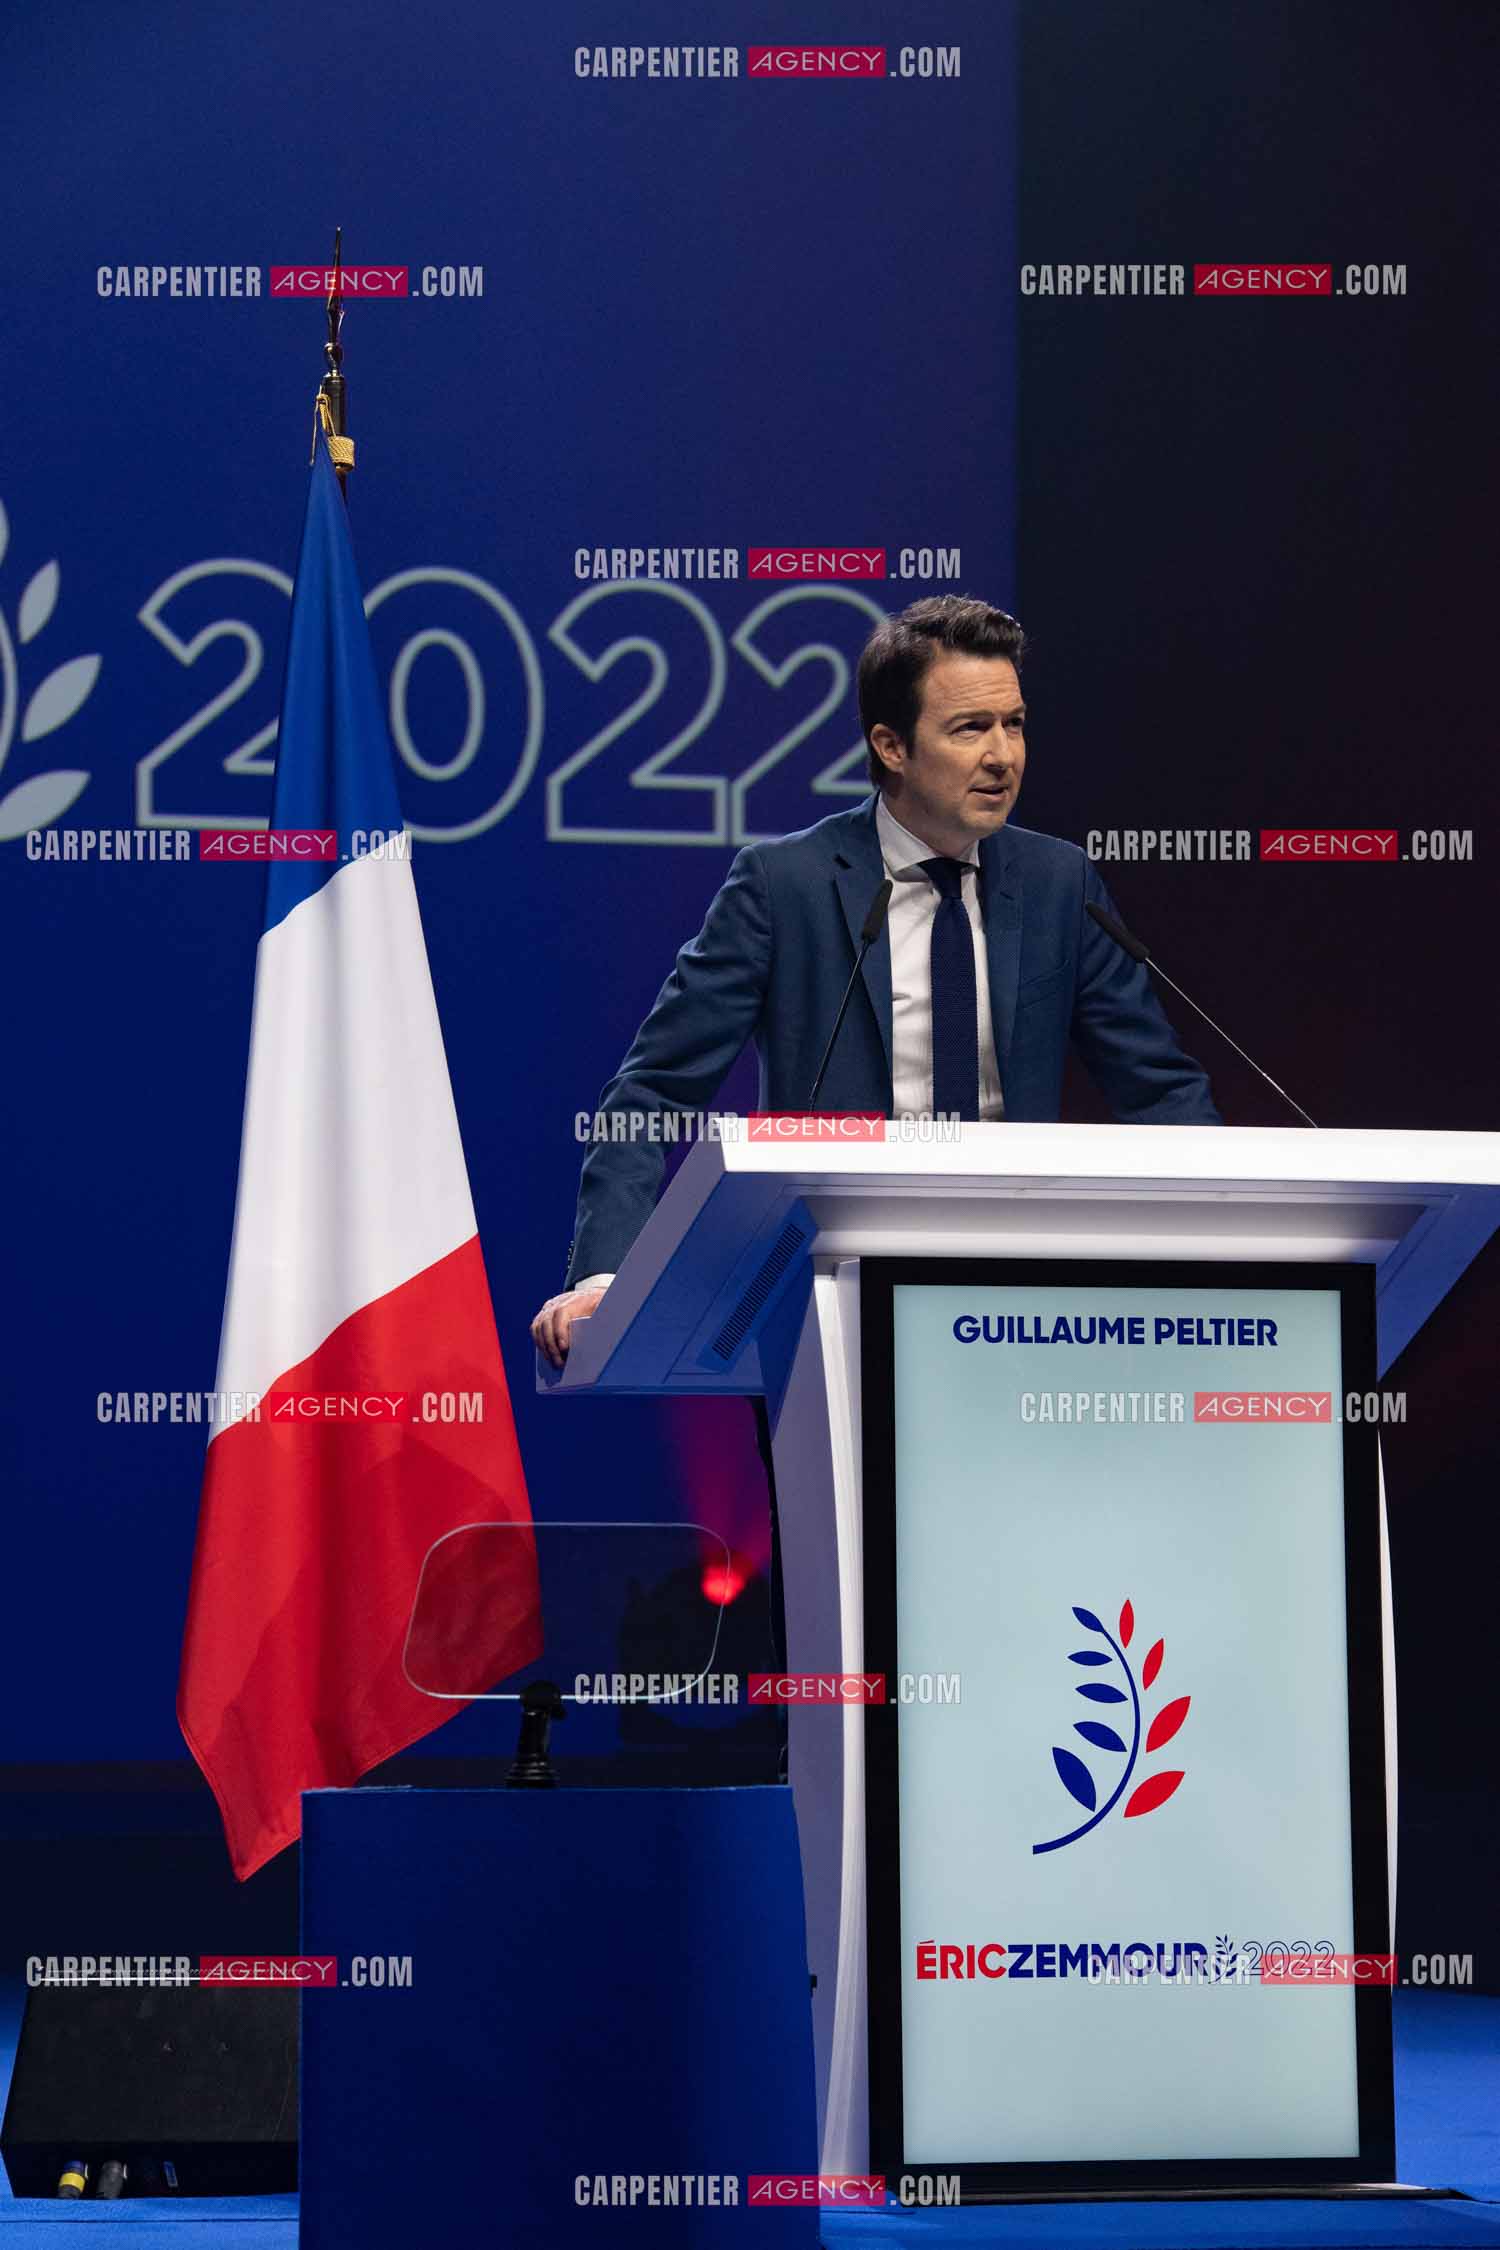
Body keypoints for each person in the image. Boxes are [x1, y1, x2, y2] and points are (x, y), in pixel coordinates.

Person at [532, 594, 1219, 1368]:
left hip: (1025, 1300)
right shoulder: (783, 885)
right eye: (970, 728)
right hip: (830, 1291)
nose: (1004, 756)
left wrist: (1235, 1241)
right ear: (892, 746)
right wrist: (607, 1275)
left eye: (1014, 723)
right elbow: (651, 1093)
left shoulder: (1060, 882)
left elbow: (1159, 1091)